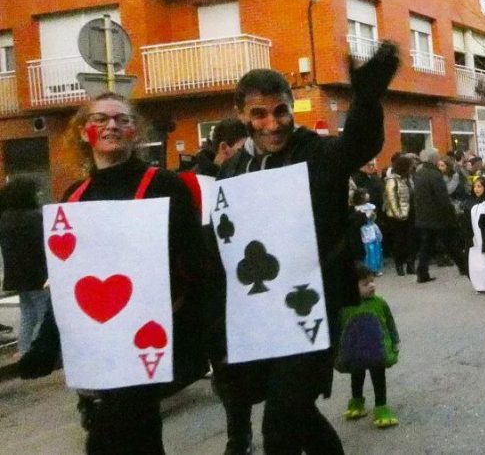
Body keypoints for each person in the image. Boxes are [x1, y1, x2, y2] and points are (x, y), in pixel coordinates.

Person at [209, 43, 397, 455]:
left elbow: (359, 145)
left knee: (280, 423)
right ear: (242, 114)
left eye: (280, 112)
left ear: (291, 109)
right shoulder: (232, 168)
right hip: (258, 315)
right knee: (298, 416)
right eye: (259, 114)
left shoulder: (316, 153)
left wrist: (366, 99)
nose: (272, 124)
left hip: (311, 307)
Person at [20, 92, 207, 454]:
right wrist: (46, 345)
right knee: (135, 438)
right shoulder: (74, 198)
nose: (111, 126)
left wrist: (203, 328)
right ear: (83, 132)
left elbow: (197, 263)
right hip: (99, 345)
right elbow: (67, 283)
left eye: (122, 119)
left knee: (116, 435)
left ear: (135, 132)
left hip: (153, 339)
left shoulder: (164, 186)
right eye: (100, 119)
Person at [338, 265, 400, 429]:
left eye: (372, 281)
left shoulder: (379, 303)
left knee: (378, 378)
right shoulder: (344, 307)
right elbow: (339, 329)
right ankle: (357, 402)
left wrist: (395, 341)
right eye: (366, 284)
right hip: (354, 352)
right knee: (356, 377)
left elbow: (390, 322)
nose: (372, 285)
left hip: (377, 351)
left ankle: (381, 407)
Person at [0, 179, 49, 356]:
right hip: (37, 274)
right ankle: (36, 350)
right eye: (35, 191)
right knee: (44, 313)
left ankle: (23, 349)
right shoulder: (35, 217)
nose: (39, 194)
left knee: (28, 312)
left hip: (17, 275)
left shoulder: (5, 218)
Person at [412, 148, 469, 282]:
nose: (438, 159)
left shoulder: (419, 174)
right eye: (437, 157)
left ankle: (422, 272)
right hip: (438, 217)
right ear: (433, 159)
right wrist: (451, 215)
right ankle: (465, 268)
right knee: (451, 244)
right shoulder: (434, 175)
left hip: (424, 216)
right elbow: (442, 198)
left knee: (426, 246)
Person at [382, 154, 416, 276]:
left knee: (410, 240)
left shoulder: (409, 178)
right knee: (399, 241)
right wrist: (398, 214)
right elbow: (392, 199)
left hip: (410, 212)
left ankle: (410, 264)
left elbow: (412, 192)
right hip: (396, 216)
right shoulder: (392, 180)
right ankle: (399, 265)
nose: (411, 168)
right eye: (409, 166)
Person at [351, 190, 384, 275]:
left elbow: (373, 217)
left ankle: (376, 268)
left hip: (372, 227)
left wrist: (373, 216)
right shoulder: (357, 209)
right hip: (365, 230)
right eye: (365, 194)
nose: (367, 195)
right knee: (368, 249)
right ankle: (367, 268)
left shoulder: (371, 206)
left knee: (376, 248)